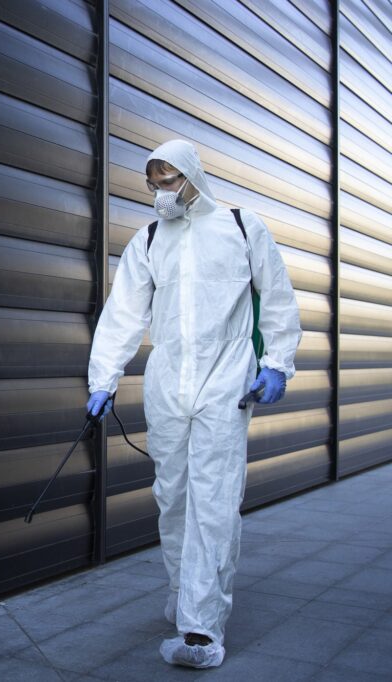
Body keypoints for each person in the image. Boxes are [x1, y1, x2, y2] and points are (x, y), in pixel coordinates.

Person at [86, 140, 301, 669]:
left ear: (192, 175)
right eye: (154, 183)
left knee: (214, 497)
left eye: (170, 180)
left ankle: (202, 626)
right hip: (167, 382)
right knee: (173, 495)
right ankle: (186, 592)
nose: (162, 192)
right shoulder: (151, 238)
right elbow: (124, 312)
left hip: (225, 379)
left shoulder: (241, 226)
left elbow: (276, 297)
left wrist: (277, 362)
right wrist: (103, 377)